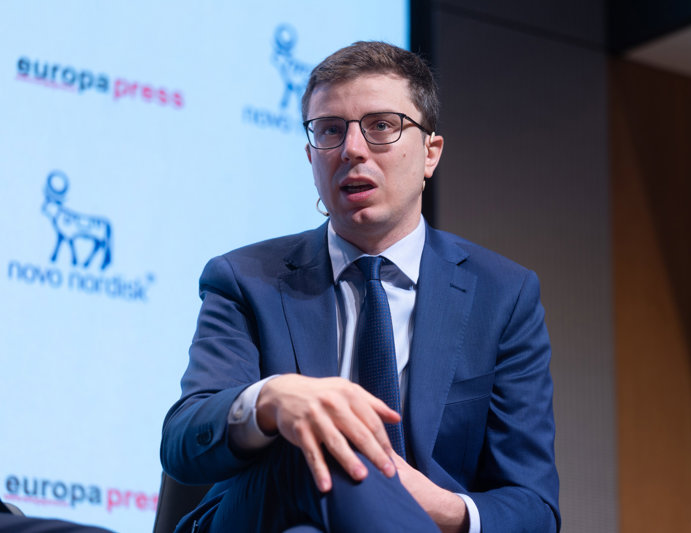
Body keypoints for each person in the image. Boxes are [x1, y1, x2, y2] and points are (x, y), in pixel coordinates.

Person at [161, 41, 560, 533]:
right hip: (261, 513)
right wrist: (271, 401)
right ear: (311, 157)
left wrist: (438, 505)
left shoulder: (502, 295)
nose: (351, 149)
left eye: (382, 126)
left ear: (430, 153)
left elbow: (533, 506)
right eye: (330, 130)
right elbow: (183, 442)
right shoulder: (244, 279)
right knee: (317, 439)